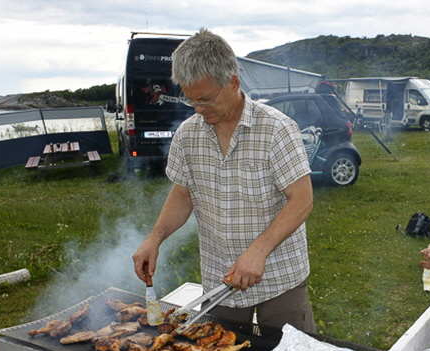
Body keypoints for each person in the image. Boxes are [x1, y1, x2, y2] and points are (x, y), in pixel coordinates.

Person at [132, 29, 316, 333]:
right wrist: (155, 238)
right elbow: (183, 196)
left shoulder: (277, 129)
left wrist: (258, 250)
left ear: (233, 82)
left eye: (205, 99)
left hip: (279, 277)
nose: (199, 110)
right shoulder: (188, 135)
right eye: (191, 100)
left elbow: (302, 199)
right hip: (220, 277)